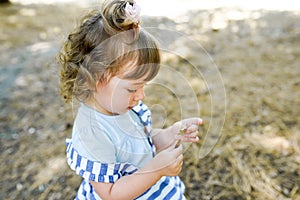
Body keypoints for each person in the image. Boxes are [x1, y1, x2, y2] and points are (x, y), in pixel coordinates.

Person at [58, 0, 202, 199]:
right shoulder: (91, 134)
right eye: (133, 88)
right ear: (92, 79)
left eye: (144, 86)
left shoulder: (125, 107)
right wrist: (156, 169)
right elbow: (110, 194)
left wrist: (169, 135)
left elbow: (141, 145)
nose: (141, 95)